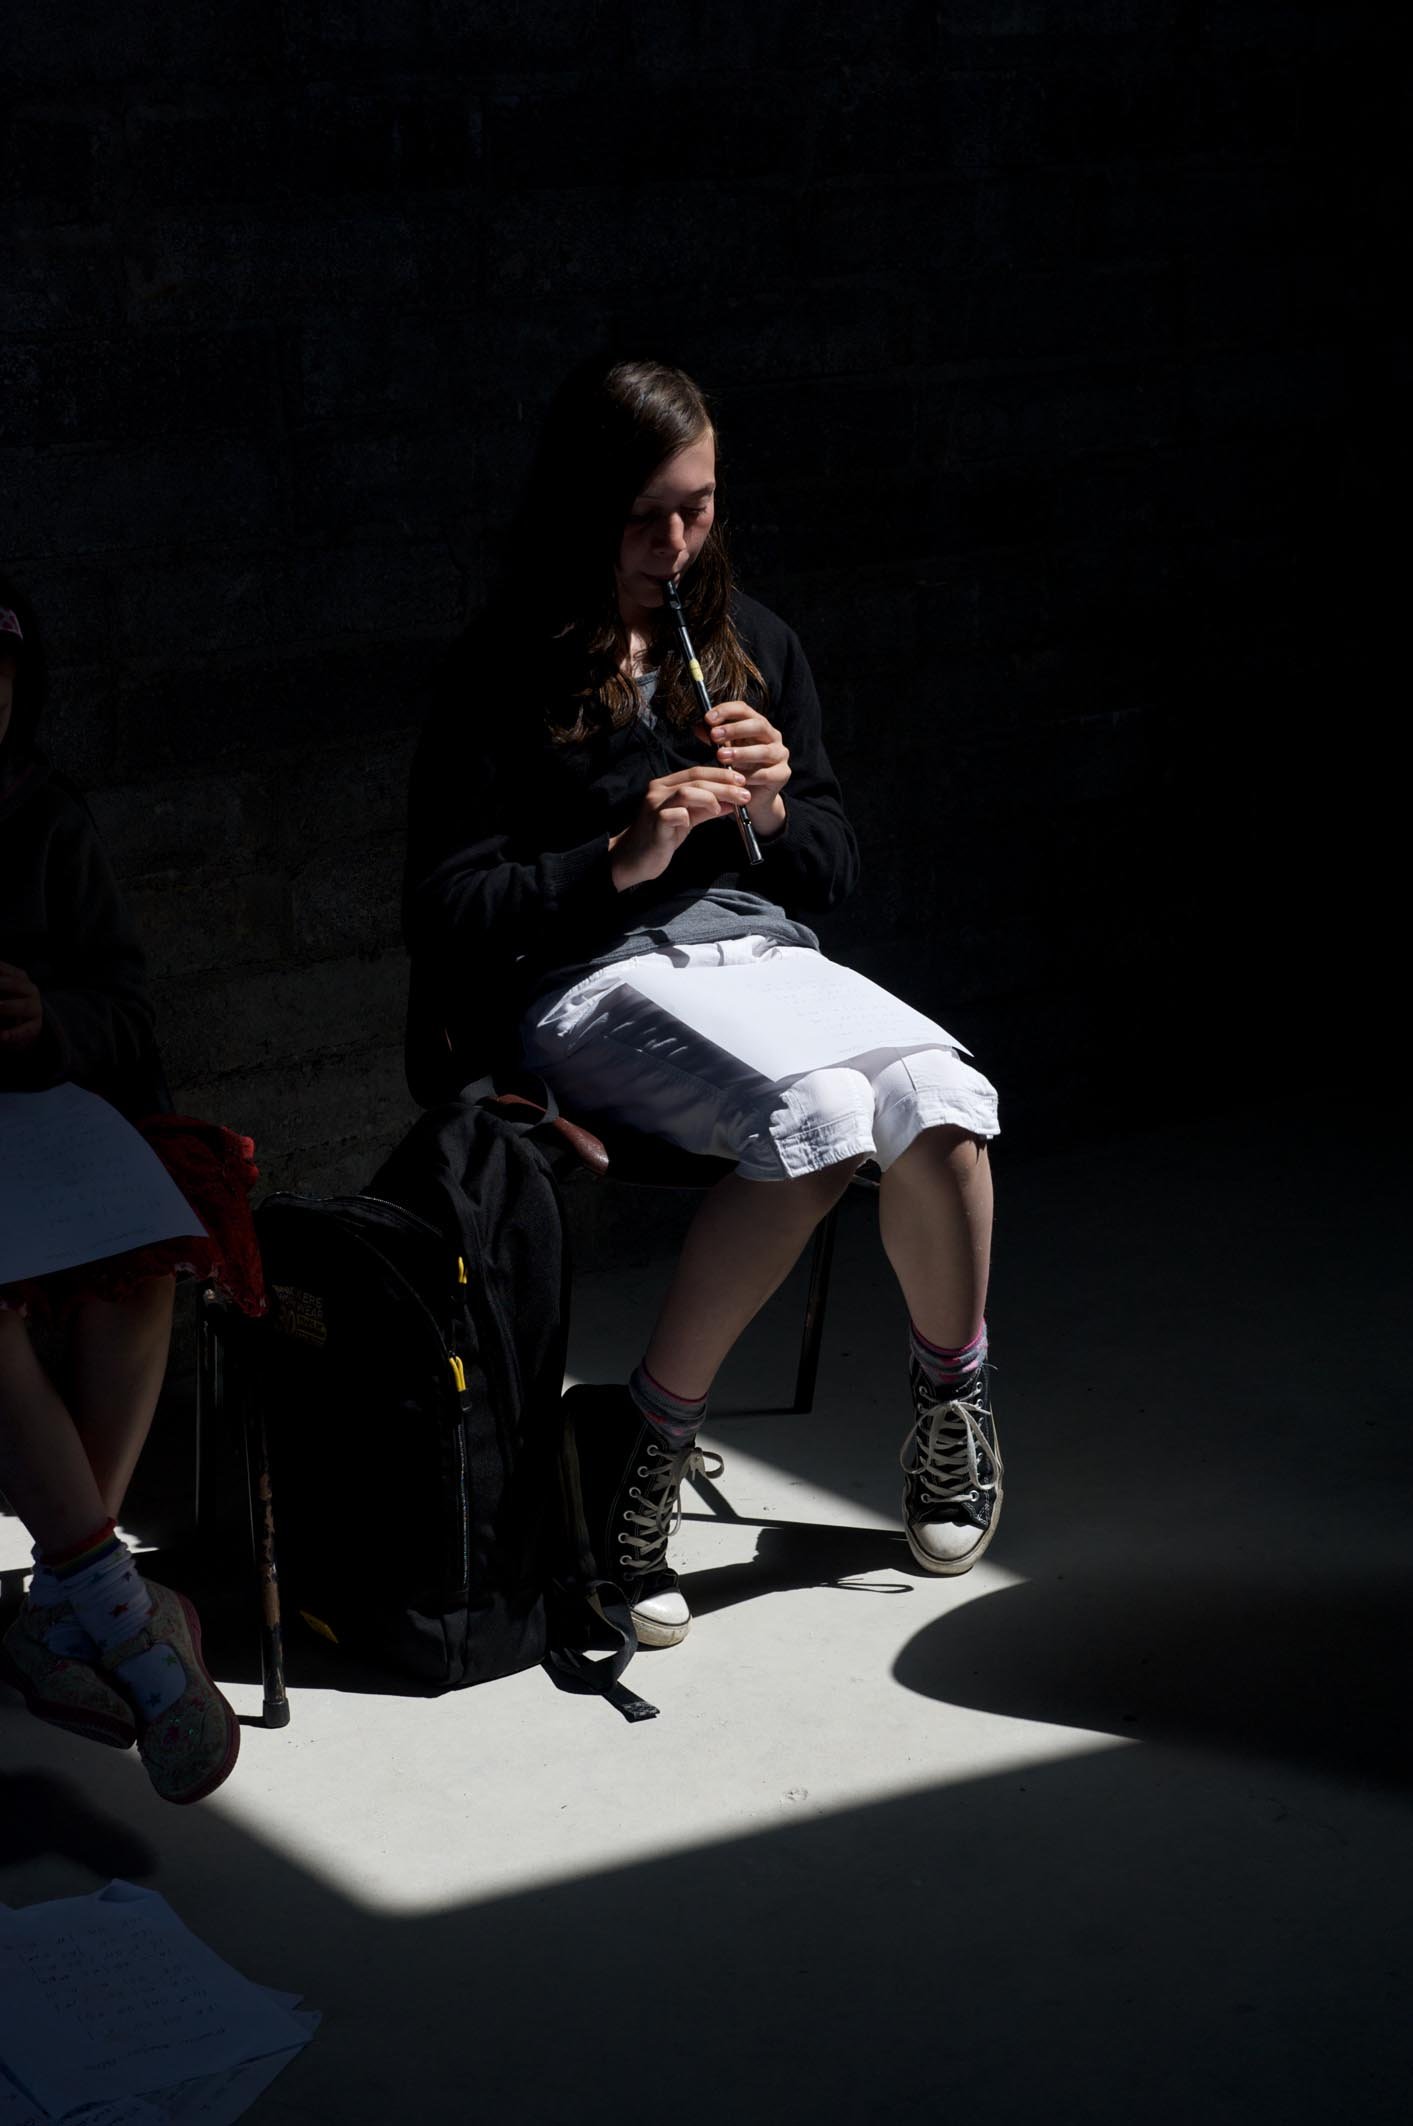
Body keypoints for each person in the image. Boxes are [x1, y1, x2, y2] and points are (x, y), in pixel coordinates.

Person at [403, 358, 1000, 1651]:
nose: (676, 543)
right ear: (581, 509)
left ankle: (952, 1402)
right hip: (588, 980)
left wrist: (777, 805)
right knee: (820, 1112)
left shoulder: (752, 641)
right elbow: (444, 908)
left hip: (756, 959)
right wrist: (614, 858)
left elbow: (830, 867)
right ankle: (647, 1457)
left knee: (939, 1097)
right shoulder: (503, 666)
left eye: (699, 508)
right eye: (643, 517)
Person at [0, 576, 260, 1804]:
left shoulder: (43, 815)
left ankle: (65, 1606)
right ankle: (118, 1605)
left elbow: (132, 1020)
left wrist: (49, 1019)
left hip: (41, 1115)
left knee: (146, 1247)